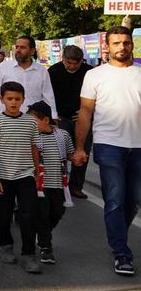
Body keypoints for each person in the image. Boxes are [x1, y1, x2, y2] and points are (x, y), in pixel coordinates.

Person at [73, 27, 141, 276]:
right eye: (116, 43)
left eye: (126, 42)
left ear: (131, 45)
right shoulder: (95, 75)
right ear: (107, 47)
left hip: (139, 146)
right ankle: (121, 253)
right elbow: (85, 112)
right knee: (114, 197)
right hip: (108, 144)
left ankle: (118, 233)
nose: (122, 47)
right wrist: (80, 147)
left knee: (135, 199)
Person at [0, 81, 43, 274]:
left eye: (17, 99)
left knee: (28, 214)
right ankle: (6, 245)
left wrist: (36, 171)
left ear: (23, 100)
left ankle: (29, 253)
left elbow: (34, 147)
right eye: (9, 98)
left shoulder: (30, 122)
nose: (13, 102)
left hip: (25, 175)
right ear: (2, 100)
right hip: (3, 177)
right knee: (4, 214)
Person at [28, 101, 73, 264]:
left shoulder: (63, 135)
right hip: (39, 185)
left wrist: (77, 157)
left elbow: (70, 154)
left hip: (59, 184)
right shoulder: (31, 137)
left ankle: (42, 234)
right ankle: (46, 247)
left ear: (46, 120)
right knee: (42, 214)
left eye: (34, 121)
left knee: (58, 212)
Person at [48, 45, 92, 199]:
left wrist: (86, 112)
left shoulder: (89, 72)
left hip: (82, 119)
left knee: (83, 152)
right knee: (60, 153)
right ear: (63, 59)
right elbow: (47, 94)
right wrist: (53, 115)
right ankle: (59, 185)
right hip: (60, 118)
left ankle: (76, 187)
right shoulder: (53, 71)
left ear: (81, 61)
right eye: (69, 63)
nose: (72, 66)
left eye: (76, 63)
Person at [0, 37, 56, 116]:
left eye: (22, 47)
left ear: (32, 51)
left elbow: (48, 97)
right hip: (7, 120)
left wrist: (53, 116)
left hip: (32, 120)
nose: (18, 50)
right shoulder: (3, 67)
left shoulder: (42, 71)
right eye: (17, 47)